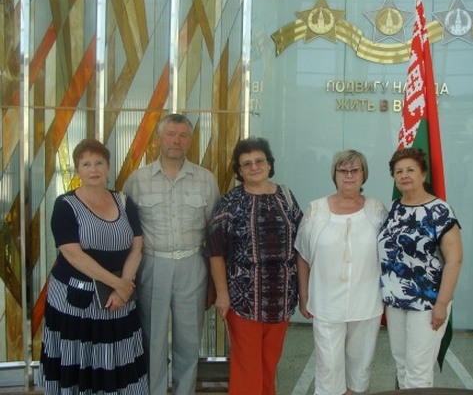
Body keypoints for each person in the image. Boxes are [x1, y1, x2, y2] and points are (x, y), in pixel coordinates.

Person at [39, 138, 148, 394]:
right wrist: (118, 284)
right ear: (77, 171)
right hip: (76, 301)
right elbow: (73, 254)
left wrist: (123, 287)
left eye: (99, 163)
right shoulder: (65, 205)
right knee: (79, 362)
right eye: (86, 164)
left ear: (108, 168)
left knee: (117, 359)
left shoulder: (124, 201)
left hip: (118, 300)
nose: (93, 169)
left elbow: (137, 246)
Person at [123, 114, 220, 395]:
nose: (176, 141)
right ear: (159, 139)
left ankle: (184, 390)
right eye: (170, 134)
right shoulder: (138, 180)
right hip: (152, 265)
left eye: (183, 135)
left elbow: (215, 233)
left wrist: (213, 283)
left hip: (193, 265)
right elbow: (127, 231)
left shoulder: (205, 179)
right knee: (152, 338)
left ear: (189, 141)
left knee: (188, 339)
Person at [206, 137, 302, 395]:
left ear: (269, 164)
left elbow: (301, 245)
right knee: (247, 366)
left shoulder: (286, 196)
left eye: (259, 161)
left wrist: (304, 293)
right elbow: (215, 250)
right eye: (246, 163)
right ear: (239, 170)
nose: (254, 167)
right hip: (243, 299)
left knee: (269, 364)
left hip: (281, 299)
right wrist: (222, 294)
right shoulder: (231, 202)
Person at [295, 149, 387, 395]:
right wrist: (304, 296)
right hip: (326, 302)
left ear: (364, 174)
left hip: (366, 301)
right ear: (334, 174)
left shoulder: (377, 209)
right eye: (343, 170)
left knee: (360, 366)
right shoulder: (316, 209)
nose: (349, 175)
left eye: (355, 170)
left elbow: (390, 253)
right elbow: (302, 255)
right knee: (329, 365)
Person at [378, 147, 463, 389]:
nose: (404, 175)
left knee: (418, 372)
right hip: (395, 301)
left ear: (423, 174)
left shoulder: (440, 211)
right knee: (402, 366)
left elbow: (455, 260)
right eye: (399, 171)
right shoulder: (395, 208)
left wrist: (442, 304)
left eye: (410, 170)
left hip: (428, 303)